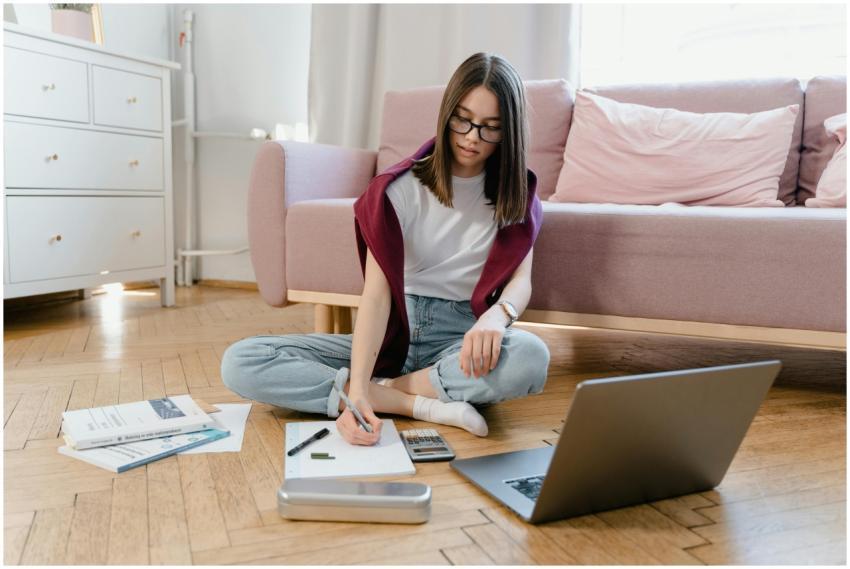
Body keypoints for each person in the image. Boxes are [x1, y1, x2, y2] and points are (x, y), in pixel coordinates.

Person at [221, 52, 550, 446]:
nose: (471, 137)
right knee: (241, 362)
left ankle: (383, 392)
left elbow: (520, 282)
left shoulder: (518, 194)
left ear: (509, 131)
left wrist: (497, 318)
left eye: (490, 128)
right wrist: (359, 382)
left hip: (459, 341)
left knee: (530, 356)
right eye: (462, 120)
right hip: (392, 334)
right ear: (447, 112)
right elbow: (376, 298)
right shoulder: (401, 188)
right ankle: (421, 404)